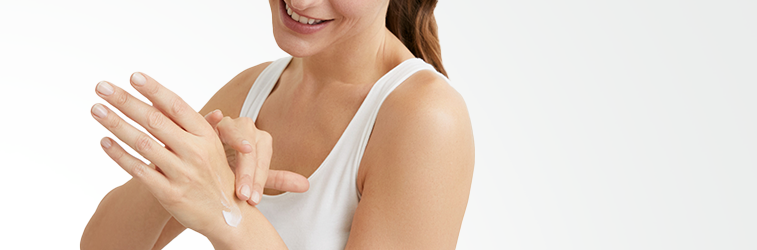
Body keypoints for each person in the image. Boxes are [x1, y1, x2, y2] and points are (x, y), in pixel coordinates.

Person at [80, 0, 474, 249]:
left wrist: (228, 216)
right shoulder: (253, 89)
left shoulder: (426, 117)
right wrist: (190, 170)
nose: (301, 1)